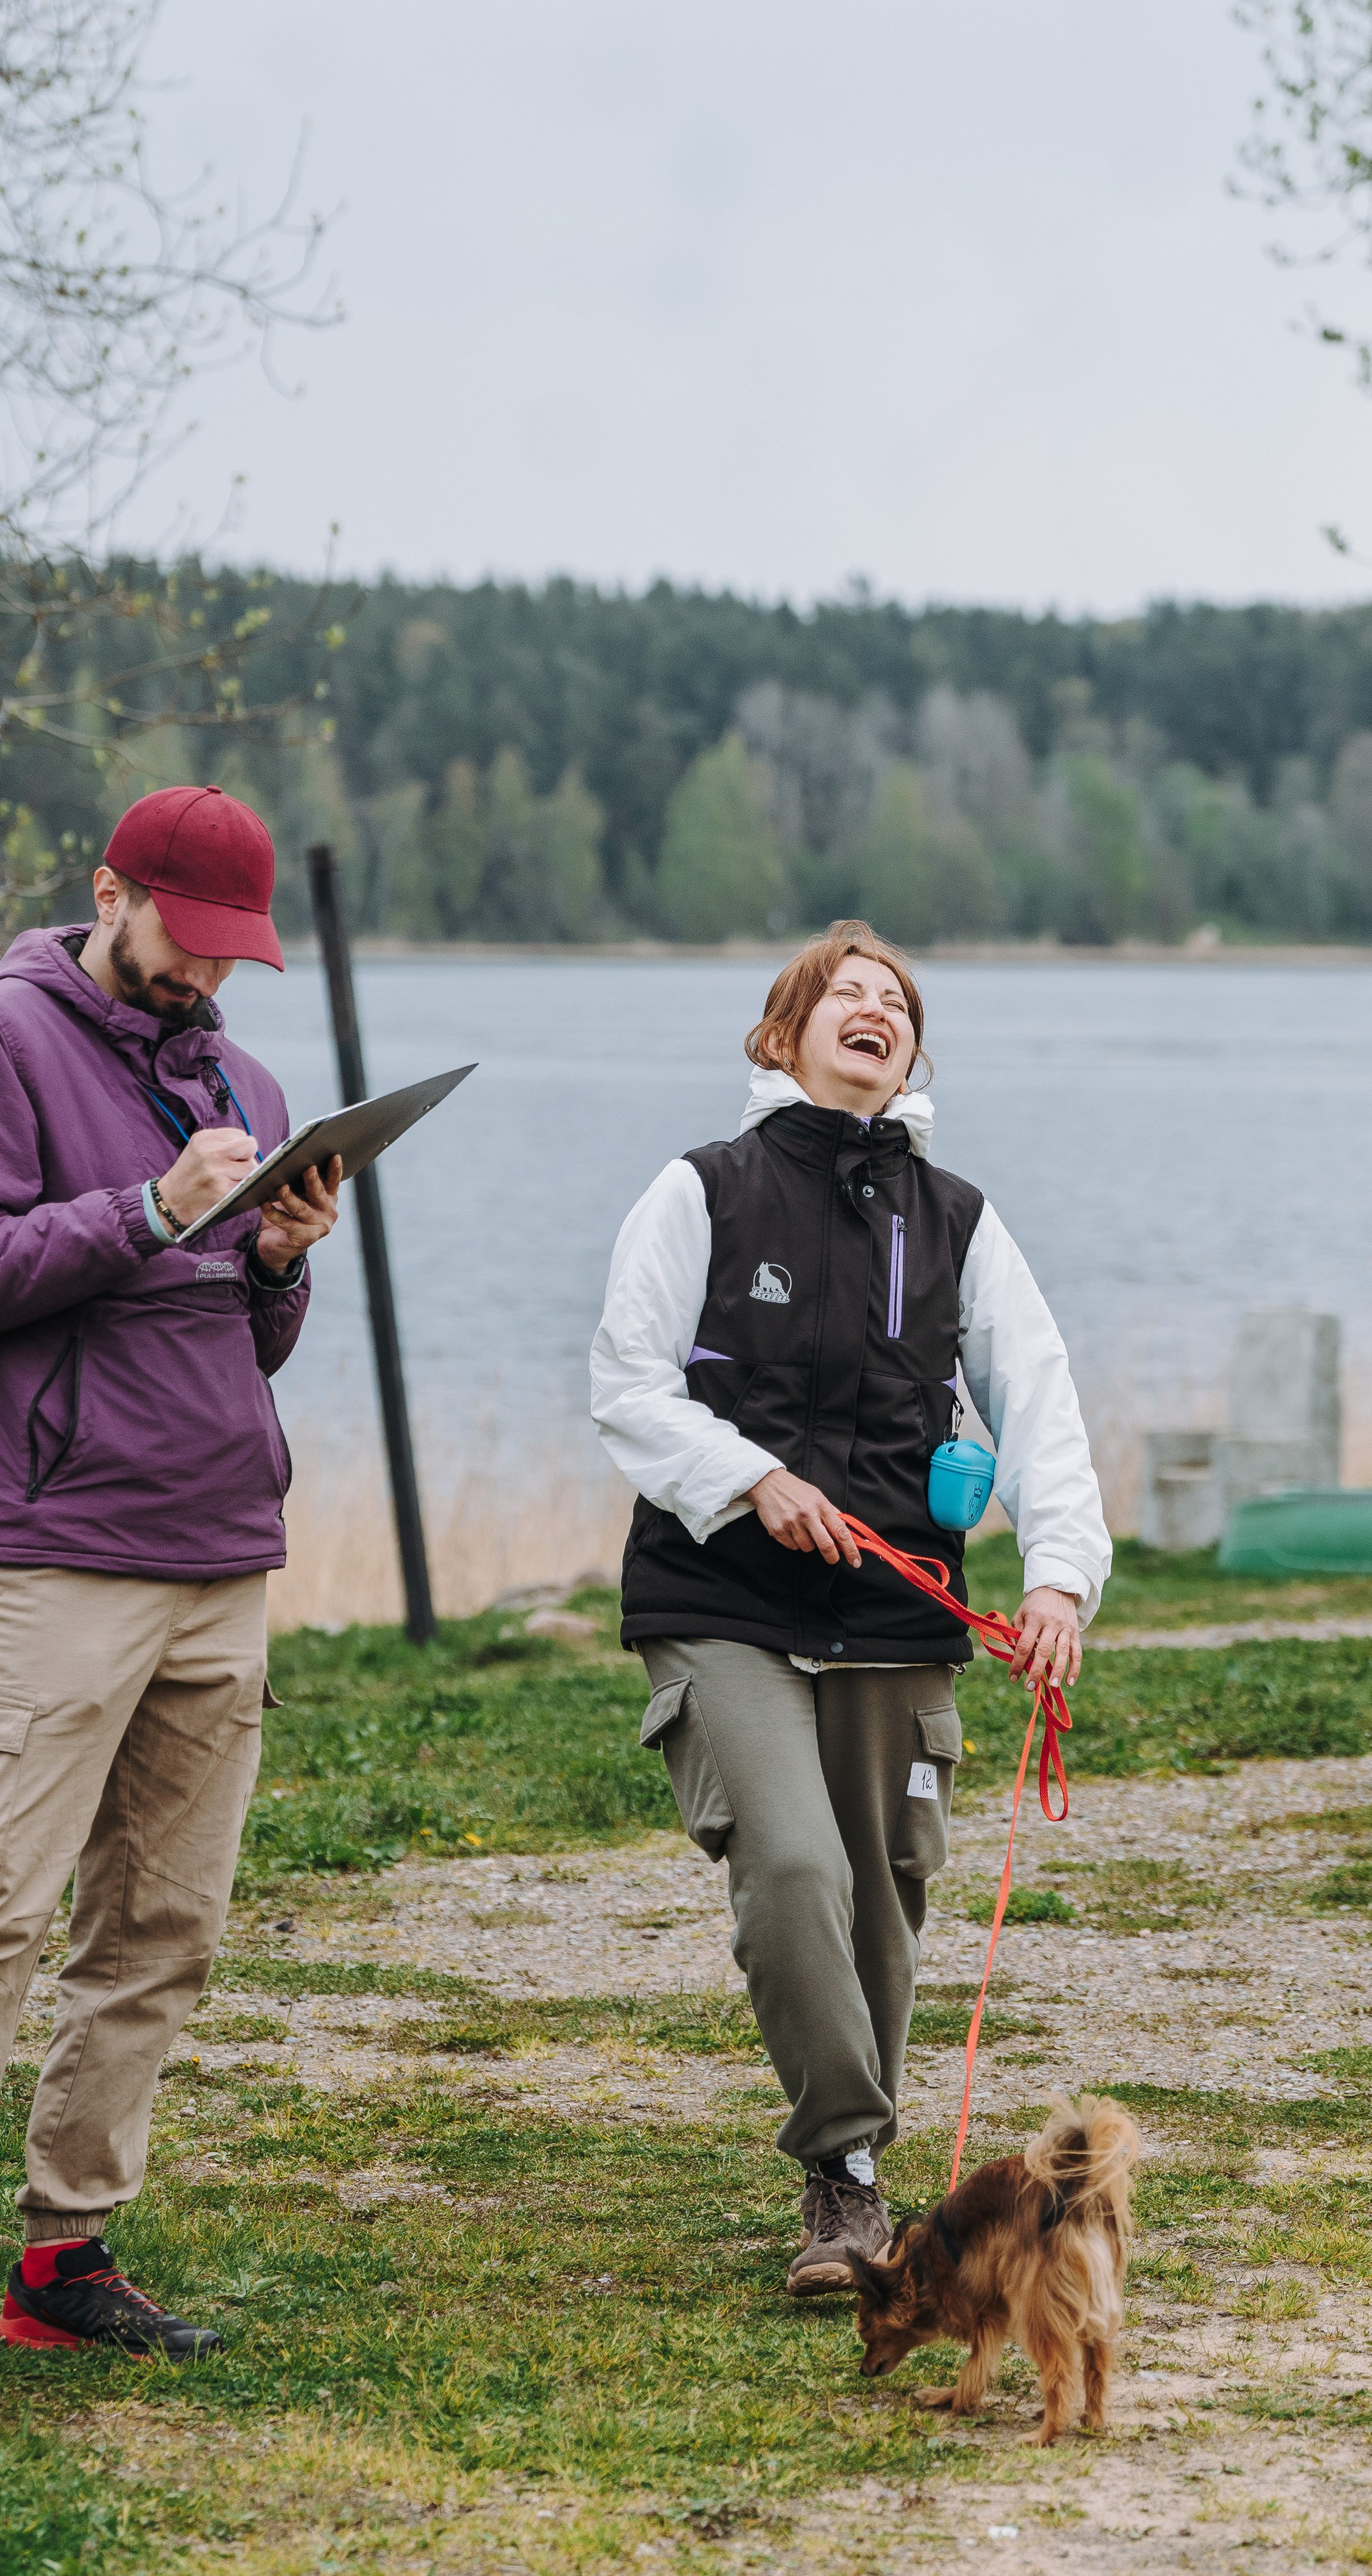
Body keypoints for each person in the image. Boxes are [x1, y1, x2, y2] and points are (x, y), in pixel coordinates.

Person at [0, 784, 342, 2410]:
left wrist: (273, 1261)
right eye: (187, 940)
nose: (209, 980)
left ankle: (67, 2253)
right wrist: (155, 1207)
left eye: (235, 954)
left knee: (159, 1929)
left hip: (216, 1551)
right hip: (48, 1545)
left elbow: (244, 1346)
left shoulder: (239, 1079)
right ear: (108, 889)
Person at [590, 919, 1108, 2297]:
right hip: (720, 1593)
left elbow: (1037, 1400)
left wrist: (1057, 1569)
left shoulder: (958, 1219)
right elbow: (626, 1382)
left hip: (898, 1601)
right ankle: (847, 2167)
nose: (874, 1010)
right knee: (797, 1871)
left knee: (883, 1895)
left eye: (896, 1001)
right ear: (782, 1034)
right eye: (846, 994)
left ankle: (850, 2188)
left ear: (907, 1053)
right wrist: (752, 1478)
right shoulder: (698, 1188)